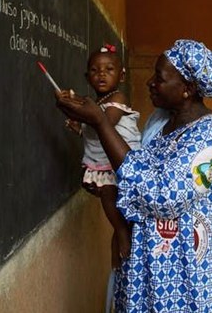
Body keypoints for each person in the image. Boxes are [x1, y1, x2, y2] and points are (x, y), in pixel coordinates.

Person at [56, 39, 212, 312]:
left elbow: (164, 198)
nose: (150, 83)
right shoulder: (161, 124)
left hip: (192, 269)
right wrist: (118, 220)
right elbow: (135, 174)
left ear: (187, 89)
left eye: (160, 77)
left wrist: (99, 121)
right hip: (149, 266)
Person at [69, 44, 141, 269]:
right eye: (95, 70)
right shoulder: (95, 102)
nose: (101, 74)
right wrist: (78, 125)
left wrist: (76, 108)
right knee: (109, 197)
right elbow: (92, 131)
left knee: (114, 196)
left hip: (121, 161)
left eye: (109, 69)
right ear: (86, 76)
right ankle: (121, 232)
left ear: (121, 76)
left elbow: (105, 123)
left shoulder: (118, 97)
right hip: (103, 161)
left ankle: (122, 233)